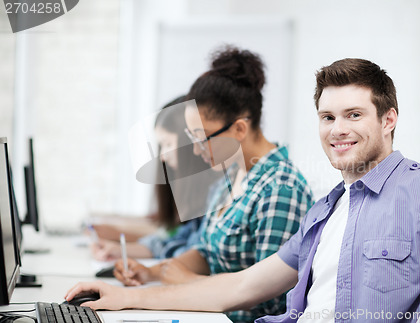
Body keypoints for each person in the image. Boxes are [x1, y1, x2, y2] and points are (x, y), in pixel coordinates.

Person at [67, 58, 420, 322]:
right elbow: (237, 288)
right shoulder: (325, 211)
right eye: (327, 117)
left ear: (388, 120)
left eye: (353, 114)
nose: (338, 130)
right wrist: (125, 298)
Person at [109, 46, 313, 322]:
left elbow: (271, 303)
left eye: (201, 138)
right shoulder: (229, 177)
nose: (196, 151)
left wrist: (188, 282)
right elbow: (207, 252)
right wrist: (155, 272)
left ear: (239, 129)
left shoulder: (281, 190)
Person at [92, 96, 214, 260]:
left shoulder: (214, 195)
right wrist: (121, 249)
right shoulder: (194, 198)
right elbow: (173, 241)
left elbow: (191, 253)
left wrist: (122, 240)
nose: (163, 156)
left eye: (168, 144)